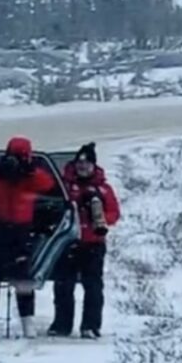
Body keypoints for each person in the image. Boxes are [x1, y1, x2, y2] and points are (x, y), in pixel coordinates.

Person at [0, 136, 57, 338]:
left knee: (21, 277)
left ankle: (26, 322)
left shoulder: (31, 176)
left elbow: (48, 185)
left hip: (20, 229)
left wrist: (29, 172)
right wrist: (4, 174)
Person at [48, 143, 121, 339]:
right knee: (63, 285)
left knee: (93, 285)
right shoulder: (64, 186)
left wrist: (99, 216)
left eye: (87, 163)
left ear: (93, 165)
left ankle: (90, 325)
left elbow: (114, 214)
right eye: (79, 163)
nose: (82, 167)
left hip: (93, 242)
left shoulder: (103, 189)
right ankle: (61, 325)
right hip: (66, 242)